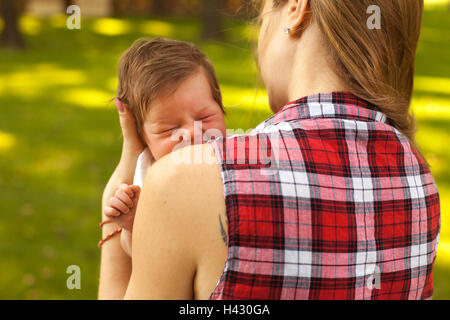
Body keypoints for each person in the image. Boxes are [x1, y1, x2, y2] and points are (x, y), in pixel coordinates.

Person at [99, 0, 440, 300]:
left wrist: (113, 223)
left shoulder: (188, 180)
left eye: (263, 18)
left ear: (296, 8)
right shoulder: (418, 178)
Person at [100, 38, 227, 256]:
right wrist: (134, 223)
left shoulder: (238, 158)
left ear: (222, 109)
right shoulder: (147, 178)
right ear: (143, 139)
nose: (190, 133)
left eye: (205, 116)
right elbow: (137, 255)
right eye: (169, 129)